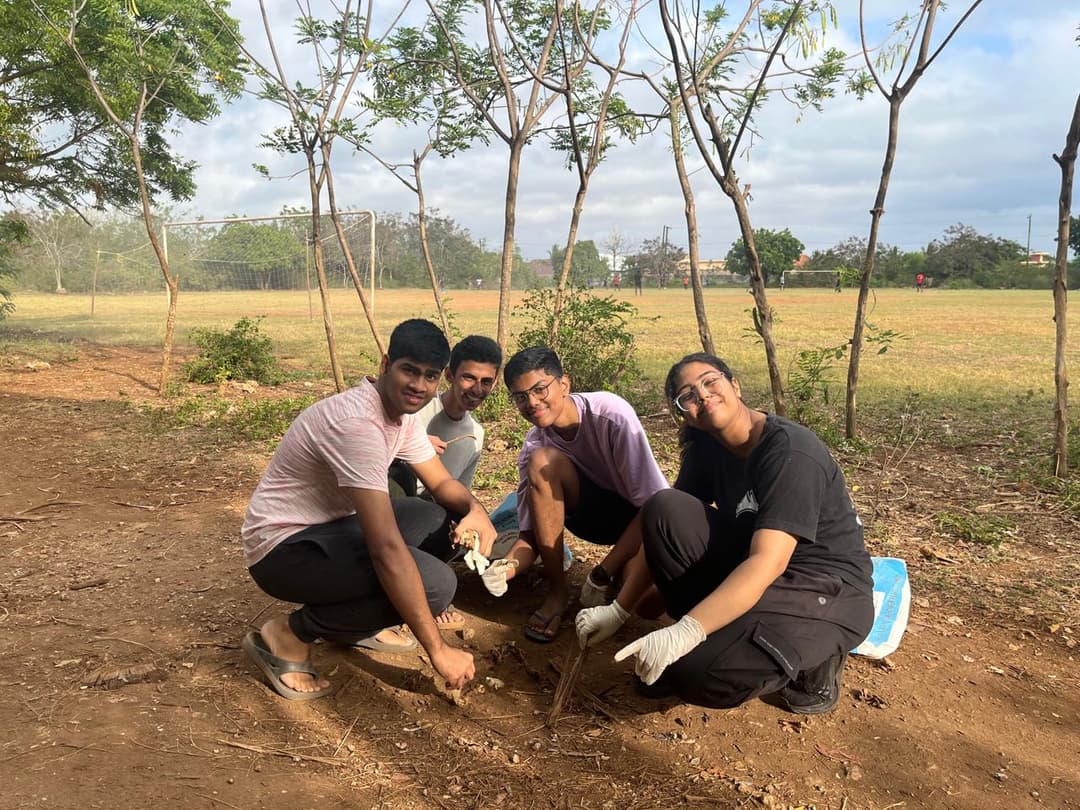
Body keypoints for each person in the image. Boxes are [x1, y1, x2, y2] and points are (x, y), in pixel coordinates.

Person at [576, 353, 873, 714]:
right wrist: (619, 610)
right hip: (753, 565)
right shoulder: (707, 450)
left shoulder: (790, 451)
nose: (701, 394)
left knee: (697, 676)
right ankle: (715, 634)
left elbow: (769, 560)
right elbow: (663, 527)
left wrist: (684, 632)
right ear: (682, 412)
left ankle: (815, 662)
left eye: (709, 381)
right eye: (687, 395)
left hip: (821, 587)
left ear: (734, 385)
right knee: (664, 506)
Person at [240, 319, 497, 700]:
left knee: (438, 519)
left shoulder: (403, 417)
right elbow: (386, 550)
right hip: (282, 551)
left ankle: (353, 623)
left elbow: (442, 485)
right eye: (409, 370)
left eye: (429, 376)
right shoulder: (358, 425)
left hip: (330, 529)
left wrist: (477, 513)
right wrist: (439, 651)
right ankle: (293, 632)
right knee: (437, 586)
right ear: (385, 364)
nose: (418, 386)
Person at [480, 347, 669, 643]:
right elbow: (530, 535)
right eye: (520, 397)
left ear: (564, 384)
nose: (532, 402)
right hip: (590, 518)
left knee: (647, 603)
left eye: (540, 389)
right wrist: (508, 568)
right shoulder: (534, 446)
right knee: (542, 461)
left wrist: (604, 571)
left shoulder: (610, 414)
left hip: (639, 521)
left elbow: (655, 505)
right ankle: (557, 592)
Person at [388, 335, 502, 499]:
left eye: (486, 381)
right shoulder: (414, 409)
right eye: (468, 378)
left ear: (495, 382)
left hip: (431, 512)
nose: (477, 390)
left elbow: (460, 494)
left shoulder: (475, 435)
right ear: (449, 375)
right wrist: (409, 446)